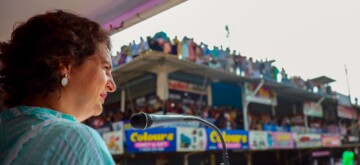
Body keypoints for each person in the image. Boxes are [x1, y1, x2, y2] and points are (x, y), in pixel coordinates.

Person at [0, 10, 116, 164]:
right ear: (66, 65)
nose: (112, 86)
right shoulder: (75, 139)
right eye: (105, 68)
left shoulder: (7, 131)